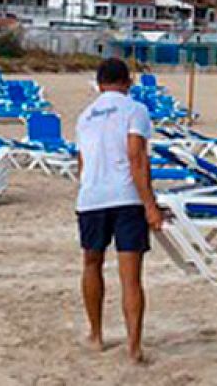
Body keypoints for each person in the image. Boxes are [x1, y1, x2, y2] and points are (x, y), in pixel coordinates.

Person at [76, 58, 165, 364]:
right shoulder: (134, 109)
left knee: (91, 264)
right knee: (130, 277)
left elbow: (82, 164)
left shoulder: (84, 116)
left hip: (91, 196)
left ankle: (96, 334)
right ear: (127, 82)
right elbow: (136, 157)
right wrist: (151, 205)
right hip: (126, 198)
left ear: (99, 83)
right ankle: (133, 346)